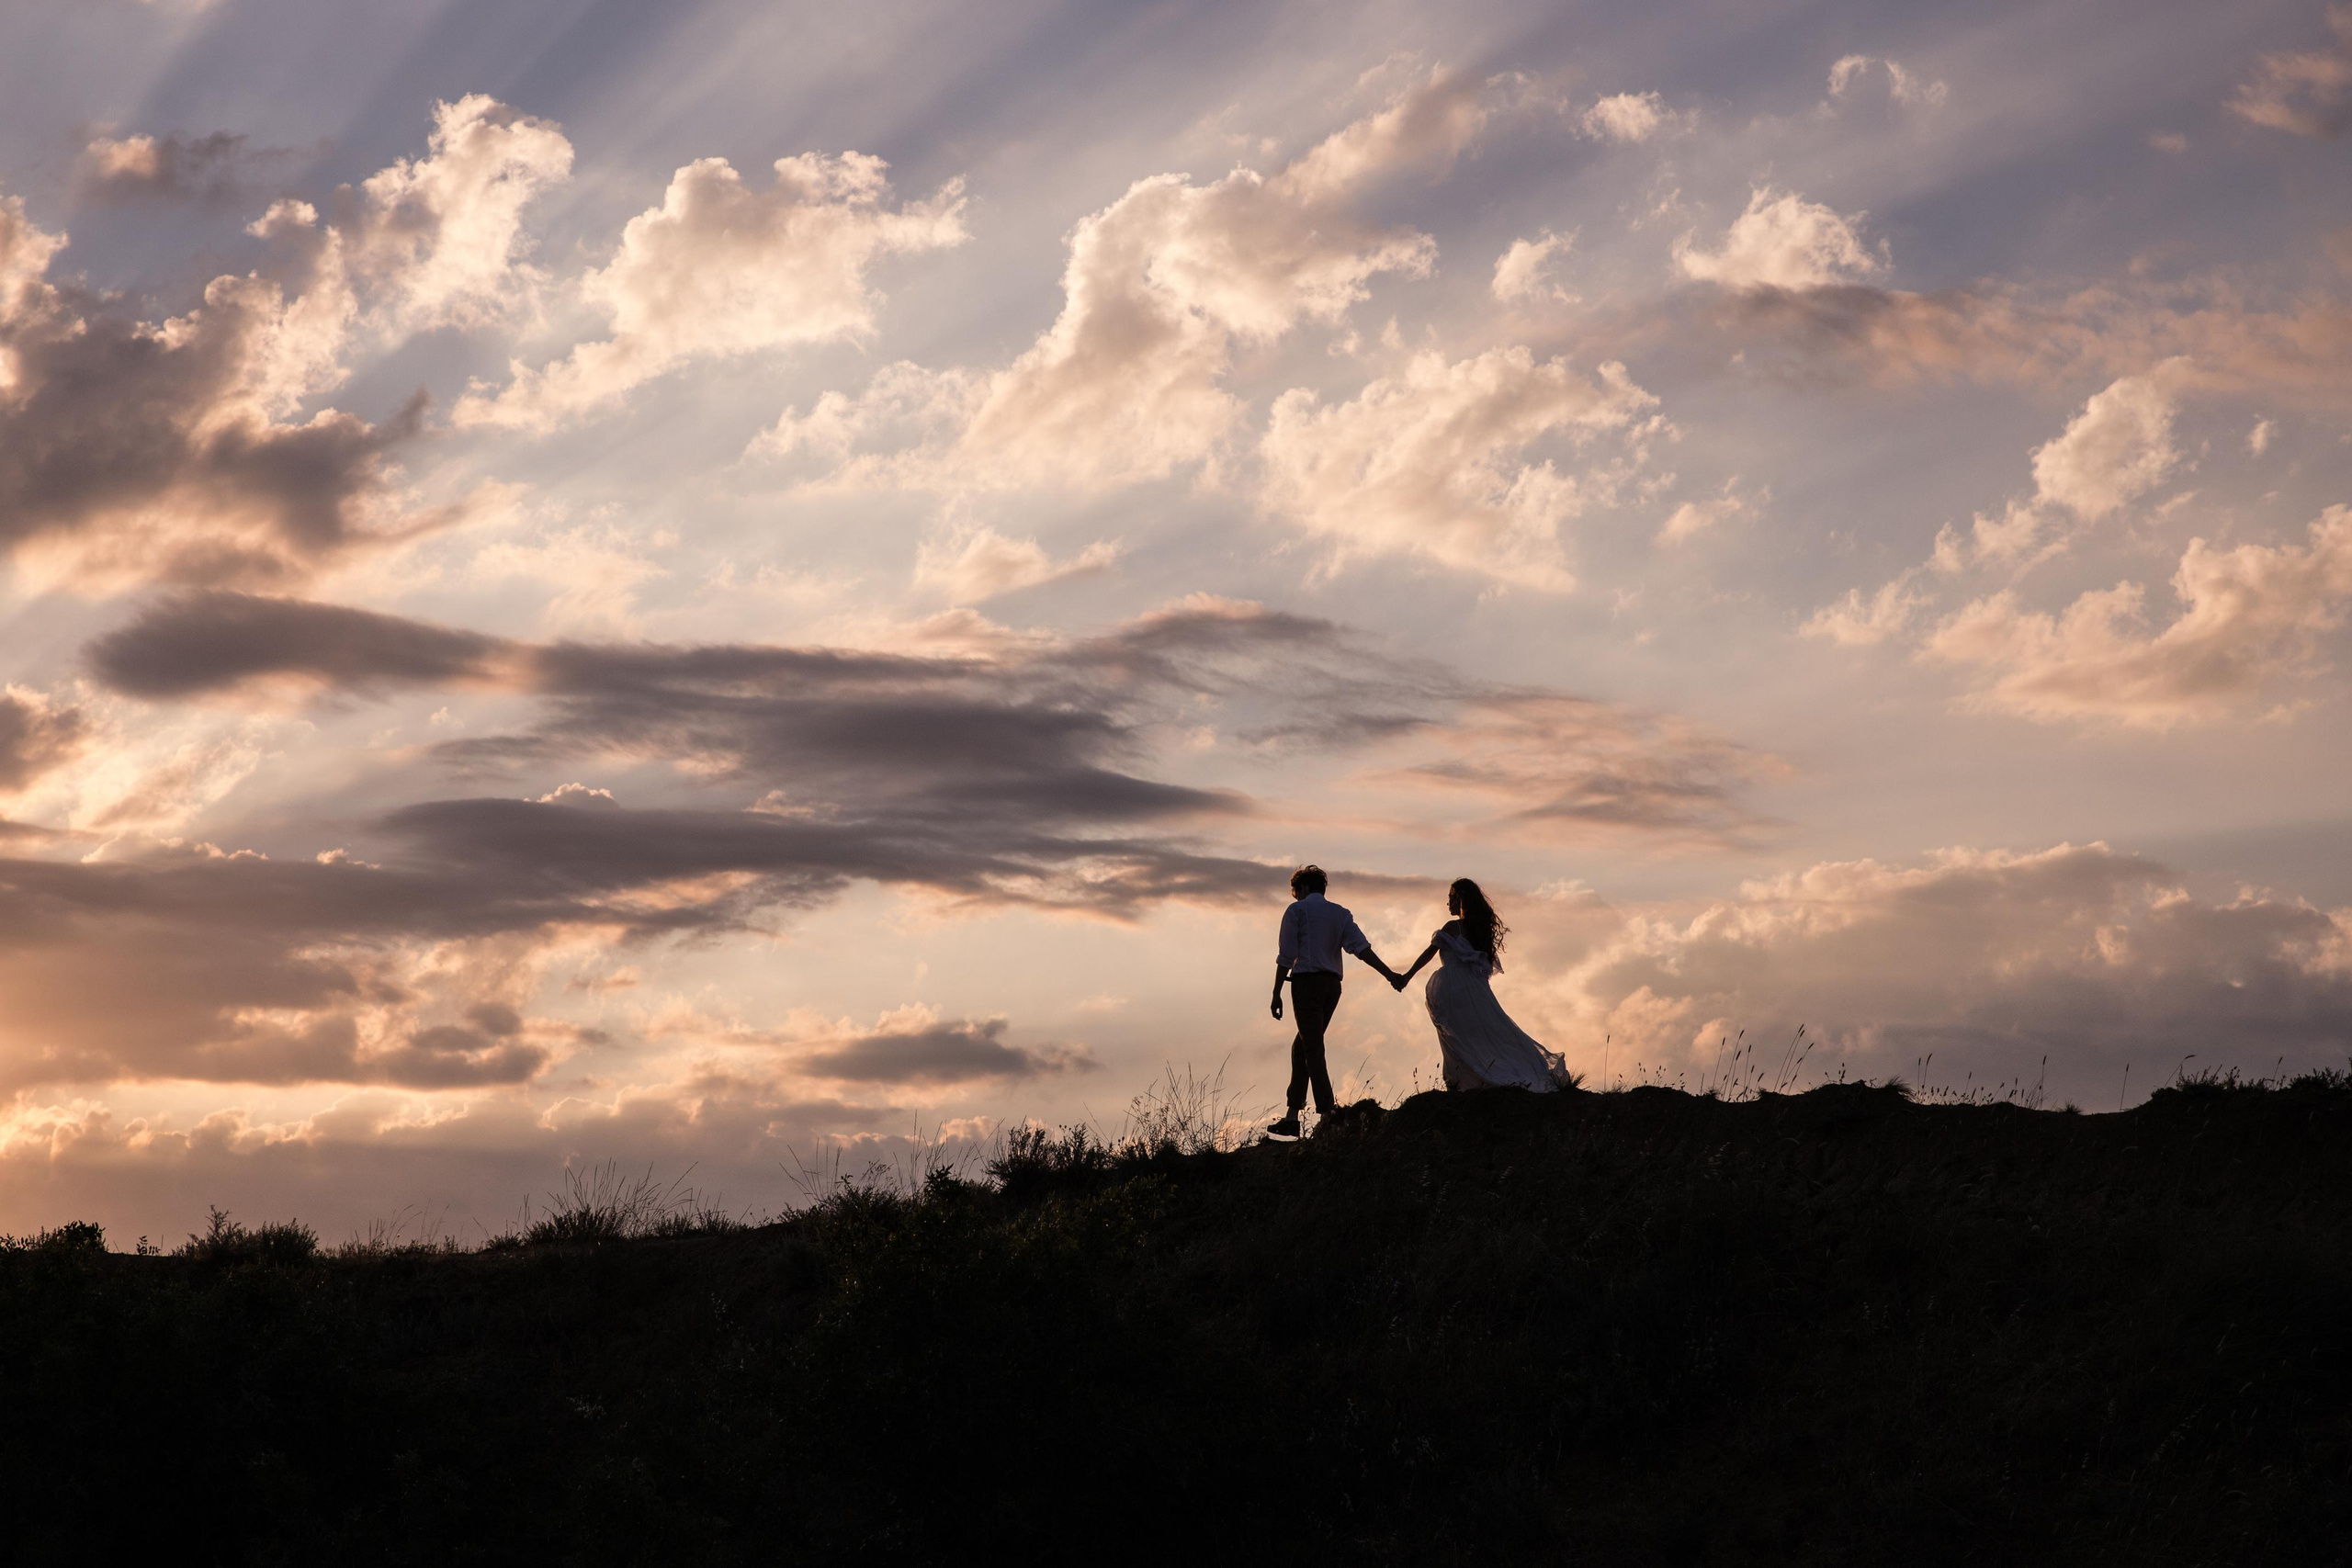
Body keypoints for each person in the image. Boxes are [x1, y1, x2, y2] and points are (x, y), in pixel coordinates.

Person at [1394, 878, 1573, 1093]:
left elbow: (1428, 953)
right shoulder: (1481, 933)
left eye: (1451, 897)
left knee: (1456, 1036)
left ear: (1461, 899)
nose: (1448, 902)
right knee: (1486, 1032)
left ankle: (1459, 1081)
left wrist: (1407, 976)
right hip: (1475, 990)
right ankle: (1480, 1076)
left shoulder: (1453, 927)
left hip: (1453, 987)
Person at [1268, 864, 1406, 1138]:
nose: (1294, 896)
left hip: (1307, 984)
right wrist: (1389, 974)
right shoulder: (1340, 913)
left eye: (1295, 891)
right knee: (1302, 1048)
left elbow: (1287, 954)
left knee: (1312, 1049)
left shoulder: (1296, 911)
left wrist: (1276, 992)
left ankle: (1328, 1112)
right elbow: (1361, 948)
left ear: (1304, 888)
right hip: (1333, 987)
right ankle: (1292, 1116)